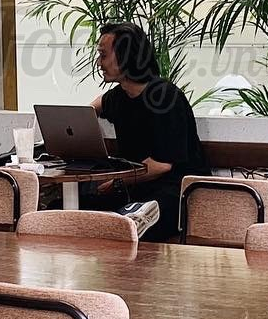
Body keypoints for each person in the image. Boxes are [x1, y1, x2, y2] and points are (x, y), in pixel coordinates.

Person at [88, 22, 206, 237]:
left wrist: (117, 181)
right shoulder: (120, 96)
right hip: (136, 189)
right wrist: (79, 123)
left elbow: (161, 165)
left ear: (126, 56)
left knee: (125, 223)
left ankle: (135, 219)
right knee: (65, 209)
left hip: (176, 191)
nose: (99, 63)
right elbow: (95, 106)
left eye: (103, 55)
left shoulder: (165, 97)